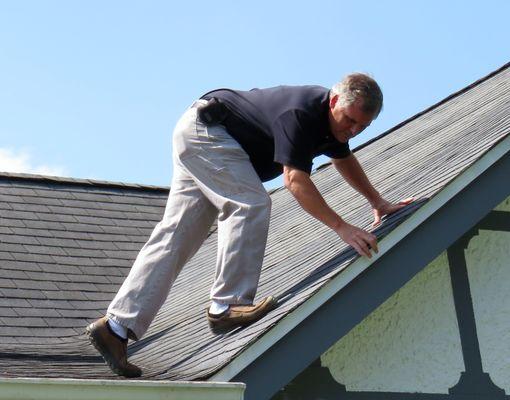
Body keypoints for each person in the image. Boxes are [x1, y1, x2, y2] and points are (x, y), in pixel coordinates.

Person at [86, 73, 413, 377]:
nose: (354, 130)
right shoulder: (300, 114)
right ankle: (227, 304)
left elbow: (344, 159)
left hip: (200, 133)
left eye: (363, 126)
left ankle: (115, 328)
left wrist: (377, 202)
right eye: (350, 120)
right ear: (333, 101)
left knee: (177, 234)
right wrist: (342, 227)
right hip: (210, 133)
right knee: (251, 202)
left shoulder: (333, 126)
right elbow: (294, 180)